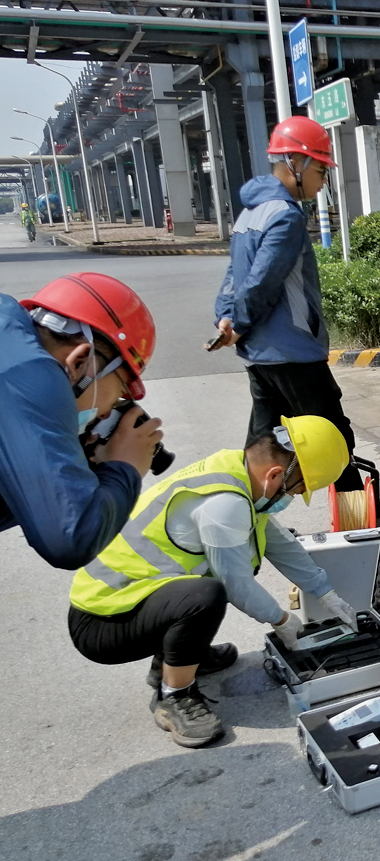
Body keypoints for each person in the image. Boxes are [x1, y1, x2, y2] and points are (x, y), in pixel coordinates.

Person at [68, 415, 360, 748]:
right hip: (103, 622)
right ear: (276, 474)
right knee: (206, 595)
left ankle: (178, 655)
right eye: (298, 489)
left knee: (200, 591)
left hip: (133, 604)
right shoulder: (225, 504)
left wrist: (325, 592)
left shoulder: (238, 474)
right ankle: (174, 695)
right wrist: (281, 620)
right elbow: (236, 584)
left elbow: (280, 544)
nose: (293, 496)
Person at [210, 115, 361, 492]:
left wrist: (226, 317)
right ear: (296, 162)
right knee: (334, 441)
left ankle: (247, 510)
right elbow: (263, 280)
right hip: (292, 351)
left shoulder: (250, 212)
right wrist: (239, 322)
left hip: (259, 355)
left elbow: (234, 275)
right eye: (320, 170)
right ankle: (362, 519)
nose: (323, 182)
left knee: (264, 450)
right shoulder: (286, 216)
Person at [0, 272, 162, 569]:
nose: (106, 413)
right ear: (79, 361)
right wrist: (125, 467)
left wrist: (74, 468)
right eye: (120, 392)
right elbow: (72, 539)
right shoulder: (31, 373)